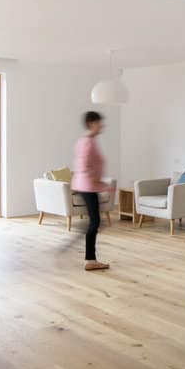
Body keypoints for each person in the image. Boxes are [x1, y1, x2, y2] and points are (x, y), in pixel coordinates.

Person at [72, 111, 111, 270]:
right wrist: (95, 180)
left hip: (86, 185)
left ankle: (91, 259)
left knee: (94, 221)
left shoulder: (85, 141)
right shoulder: (88, 142)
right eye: (99, 122)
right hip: (87, 186)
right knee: (95, 222)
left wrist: (99, 182)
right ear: (91, 124)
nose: (102, 125)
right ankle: (90, 260)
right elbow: (83, 166)